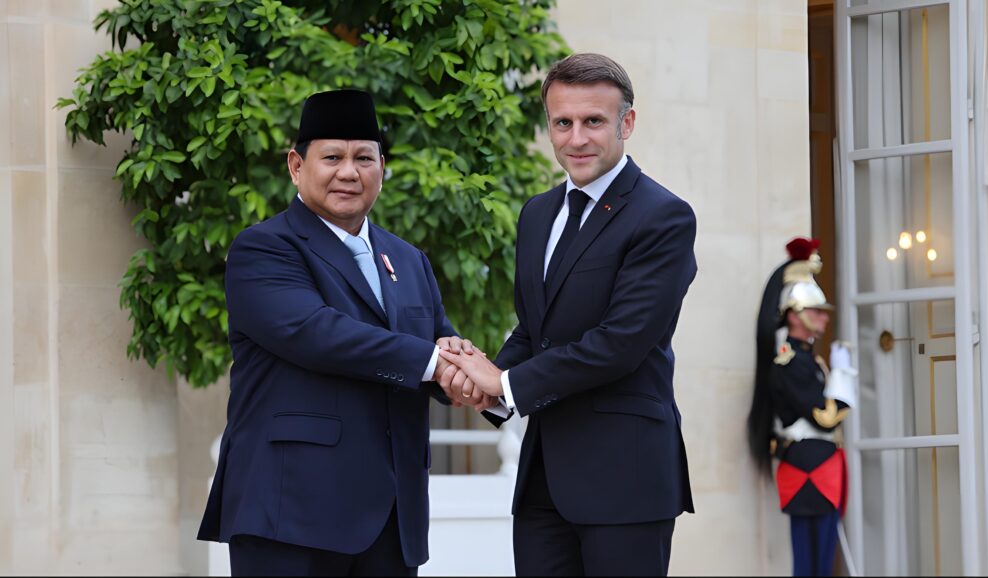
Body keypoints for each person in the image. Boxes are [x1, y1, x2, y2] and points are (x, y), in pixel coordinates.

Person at [197, 88, 491, 576]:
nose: (349, 172)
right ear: (296, 166)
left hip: (392, 521)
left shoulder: (409, 260)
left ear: (383, 166)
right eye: (331, 157)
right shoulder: (264, 248)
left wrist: (463, 367)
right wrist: (435, 362)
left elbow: (438, 342)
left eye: (364, 158)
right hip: (291, 516)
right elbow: (318, 333)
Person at [437, 53, 698, 576]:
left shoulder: (664, 216)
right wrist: (479, 382)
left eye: (593, 121)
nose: (576, 138)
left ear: (627, 122)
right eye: (563, 123)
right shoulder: (537, 214)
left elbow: (620, 342)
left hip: (626, 480)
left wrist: (506, 383)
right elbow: (535, 329)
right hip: (543, 483)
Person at [745, 237, 857, 576]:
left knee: (818, 562)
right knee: (813, 564)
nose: (823, 319)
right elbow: (826, 417)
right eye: (815, 312)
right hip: (813, 467)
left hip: (817, 464)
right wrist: (841, 374)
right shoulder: (790, 363)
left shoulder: (806, 360)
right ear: (795, 316)